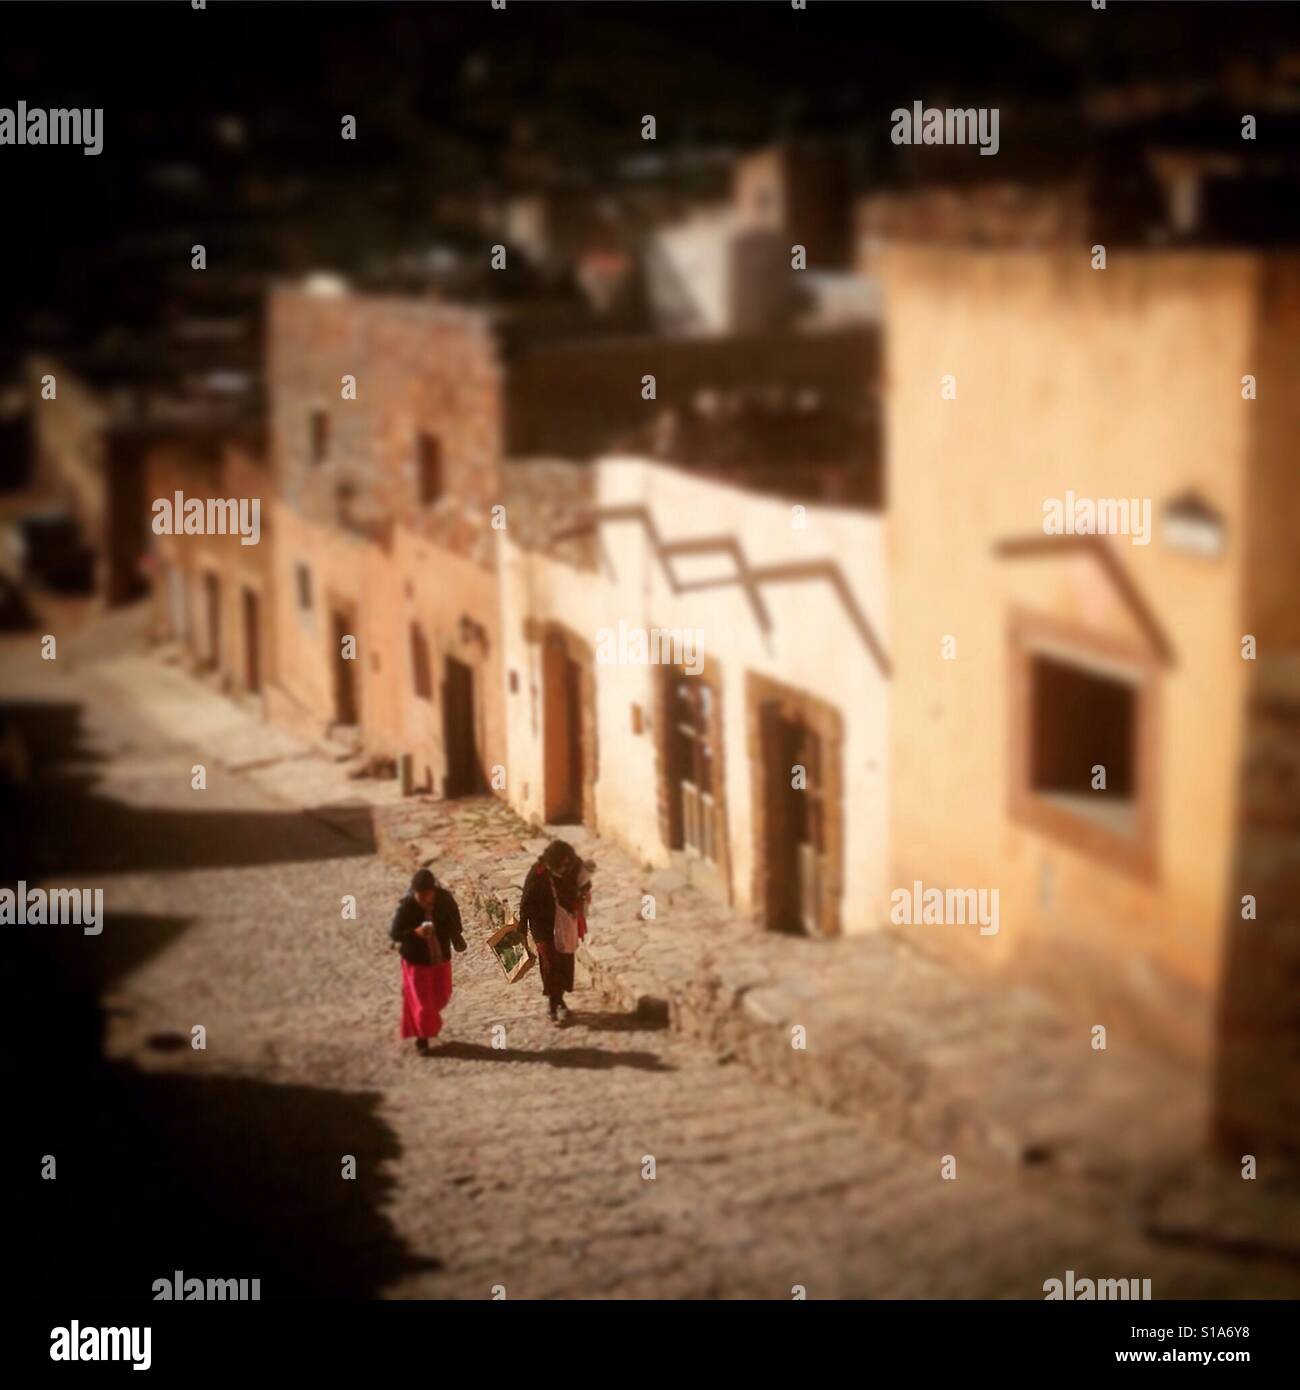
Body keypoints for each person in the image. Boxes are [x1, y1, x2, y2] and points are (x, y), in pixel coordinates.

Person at [389, 868, 466, 1055]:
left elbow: (456, 922)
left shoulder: (445, 900)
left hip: (440, 957)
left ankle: (429, 1023)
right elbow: (395, 933)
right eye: (420, 895)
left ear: (434, 891)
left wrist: (448, 931)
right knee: (423, 1004)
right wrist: (414, 933)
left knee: (442, 995)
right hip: (416, 962)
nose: (424, 899)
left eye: (427, 894)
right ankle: (422, 1040)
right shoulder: (407, 907)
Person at [520, 840, 584, 1024]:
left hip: (563, 925)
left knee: (564, 962)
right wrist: (522, 927)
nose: (565, 867)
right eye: (562, 863)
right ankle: (552, 1004)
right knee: (550, 964)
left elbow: (576, 889)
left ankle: (559, 999)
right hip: (543, 926)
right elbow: (526, 901)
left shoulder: (570, 870)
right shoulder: (538, 873)